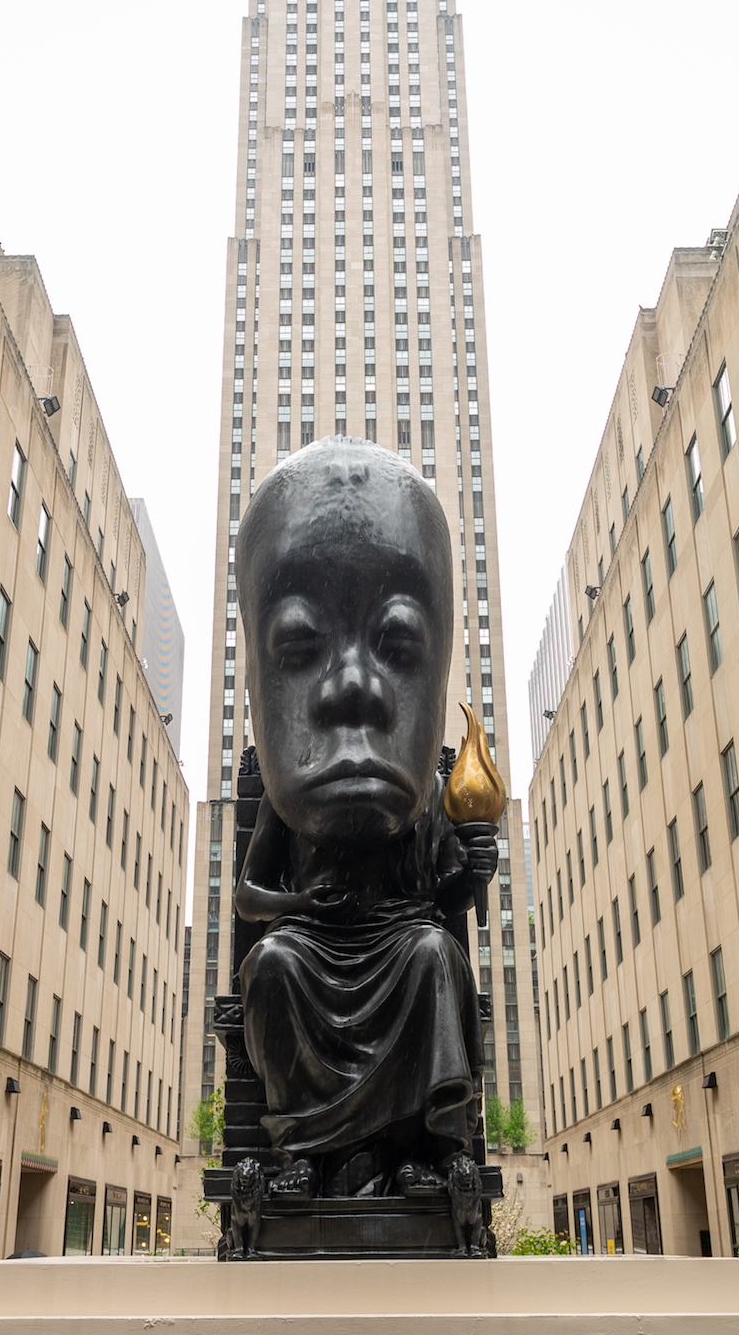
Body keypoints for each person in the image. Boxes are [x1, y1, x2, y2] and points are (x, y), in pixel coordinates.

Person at [234, 438, 494, 1200]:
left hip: (396, 941)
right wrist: (297, 906)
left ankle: (417, 1149)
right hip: (315, 943)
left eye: (398, 638)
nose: (353, 686)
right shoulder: (291, 801)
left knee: (433, 957)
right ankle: (306, 1157)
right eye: (299, 641)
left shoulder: (423, 794)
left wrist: (472, 868)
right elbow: (250, 892)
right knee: (273, 962)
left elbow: (448, 896)